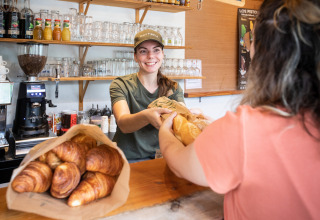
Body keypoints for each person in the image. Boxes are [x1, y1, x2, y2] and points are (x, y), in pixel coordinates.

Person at [159, 0, 320, 219]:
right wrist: (216, 128)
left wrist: (164, 132)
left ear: (265, 53)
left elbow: (180, 164)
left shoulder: (245, 128)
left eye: (252, 40)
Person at [110, 29, 185, 162]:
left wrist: (192, 115)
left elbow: (181, 124)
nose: (151, 56)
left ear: (163, 54)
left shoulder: (173, 88)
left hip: (162, 157)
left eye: (156, 50)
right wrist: (147, 115)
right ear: (135, 56)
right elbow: (123, 124)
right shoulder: (121, 84)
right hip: (128, 159)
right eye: (143, 51)